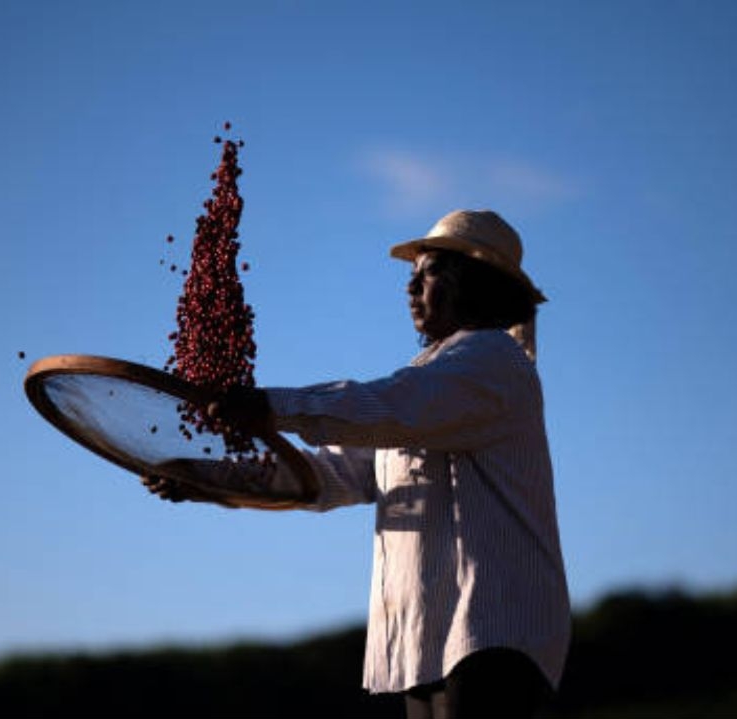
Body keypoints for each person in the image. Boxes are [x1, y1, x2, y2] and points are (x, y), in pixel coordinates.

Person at [144, 209, 570, 718]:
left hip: (496, 630)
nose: (411, 288)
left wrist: (269, 406)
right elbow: (329, 476)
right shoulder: (429, 380)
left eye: (430, 272)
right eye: (410, 277)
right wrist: (206, 477)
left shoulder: (491, 362)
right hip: (431, 637)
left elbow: (393, 405)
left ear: (476, 282)